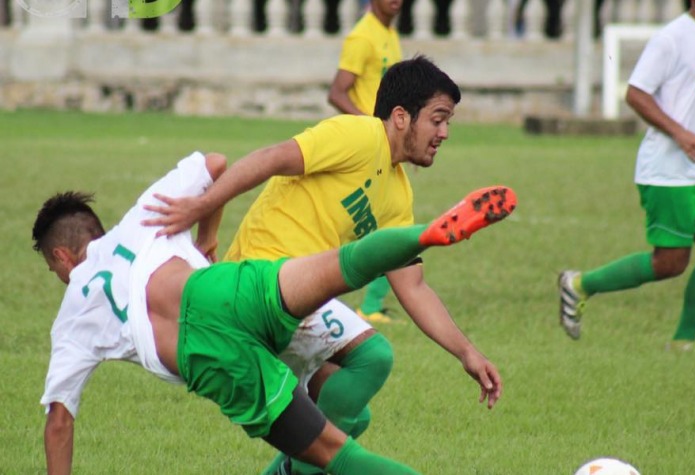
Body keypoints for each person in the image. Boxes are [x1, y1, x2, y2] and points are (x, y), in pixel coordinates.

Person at [33, 150, 516, 475]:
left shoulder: (74, 311)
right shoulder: (141, 215)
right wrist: (206, 237)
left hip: (205, 356)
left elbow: (60, 421)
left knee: (335, 454)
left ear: (62, 257)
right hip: (222, 287)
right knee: (339, 268)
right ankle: (427, 233)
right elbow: (216, 163)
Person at [144, 56, 510, 475]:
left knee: (350, 413)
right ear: (401, 117)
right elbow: (272, 157)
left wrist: (467, 353)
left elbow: (414, 287)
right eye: (438, 119)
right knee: (373, 357)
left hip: (299, 303)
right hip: (263, 277)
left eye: (449, 123)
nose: (444, 133)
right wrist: (205, 208)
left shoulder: (397, 194)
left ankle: (294, 468)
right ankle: (298, 470)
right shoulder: (358, 134)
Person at [558, 0, 695, 350]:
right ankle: (579, 285)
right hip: (666, 171)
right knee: (670, 262)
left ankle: (683, 343)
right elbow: (636, 94)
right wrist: (680, 133)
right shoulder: (672, 38)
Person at [328, 0, 404, 324]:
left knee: (389, 226)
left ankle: (370, 305)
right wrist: (373, 127)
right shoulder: (362, 37)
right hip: (367, 146)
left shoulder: (388, 33)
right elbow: (337, 92)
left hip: (386, 145)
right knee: (378, 228)